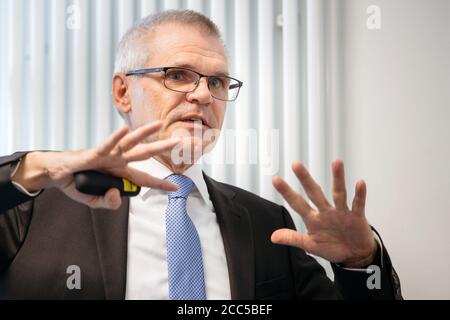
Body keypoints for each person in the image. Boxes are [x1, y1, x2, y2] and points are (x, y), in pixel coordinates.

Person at [0, 10, 401, 300]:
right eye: (177, 75)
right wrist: (34, 167)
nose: (203, 94)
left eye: (217, 82)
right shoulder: (36, 199)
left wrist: (360, 262)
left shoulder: (269, 225)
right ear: (123, 92)